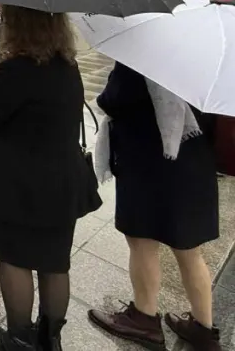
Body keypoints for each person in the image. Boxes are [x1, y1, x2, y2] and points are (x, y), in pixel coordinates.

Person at [0, 6, 101, 351]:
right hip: (62, 182)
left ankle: (19, 338)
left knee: (15, 258)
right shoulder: (67, 65)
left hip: (18, 184)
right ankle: (50, 339)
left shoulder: (16, 69)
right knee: (54, 262)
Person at [87, 64, 221, 351]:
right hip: (194, 157)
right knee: (189, 249)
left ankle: (143, 317)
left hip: (149, 163)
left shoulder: (147, 55)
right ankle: (203, 328)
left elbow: (113, 99)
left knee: (142, 241)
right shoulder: (205, 56)